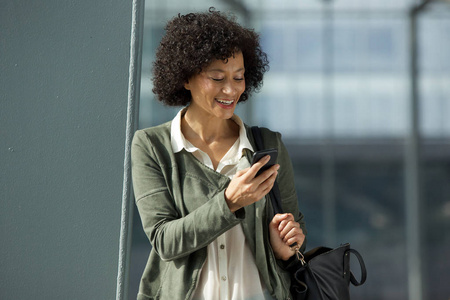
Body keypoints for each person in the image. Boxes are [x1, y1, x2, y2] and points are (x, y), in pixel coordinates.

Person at [131, 8, 306, 300]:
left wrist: (284, 245)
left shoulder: (266, 145)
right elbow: (164, 241)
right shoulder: (152, 146)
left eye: (238, 77)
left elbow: (293, 236)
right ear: (185, 78)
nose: (230, 89)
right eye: (217, 77)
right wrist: (229, 203)